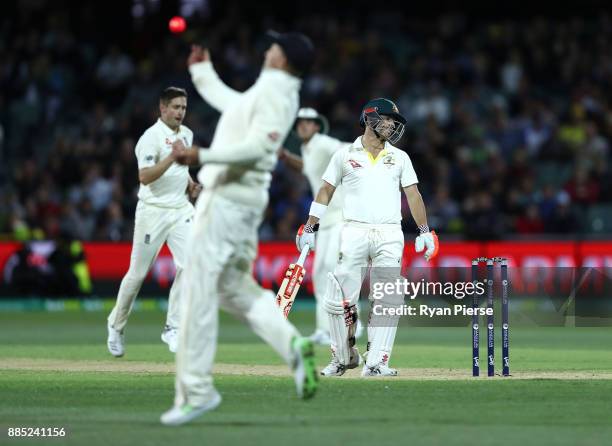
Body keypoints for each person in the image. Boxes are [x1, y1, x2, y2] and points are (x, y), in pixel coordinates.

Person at [160, 31, 318, 426]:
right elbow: (234, 106)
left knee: (196, 290)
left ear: (283, 59)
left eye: (274, 47)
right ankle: (294, 347)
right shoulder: (271, 90)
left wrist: (202, 154)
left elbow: (258, 150)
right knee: (234, 289)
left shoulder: (279, 95)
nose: (267, 49)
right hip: (239, 203)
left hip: (228, 200)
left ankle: (197, 391)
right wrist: (202, 73)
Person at [296, 98, 439, 377]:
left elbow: (413, 195)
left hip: (389, 233)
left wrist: (424, 231)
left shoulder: (400, 157)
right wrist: (310, 226)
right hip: (353, 231)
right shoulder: (344, 155)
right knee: (340, 299)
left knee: (388, 297)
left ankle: (377, 362)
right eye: (388, 120)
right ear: (371, 119)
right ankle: (342, 359)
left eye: (395, 122)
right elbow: (325, 191)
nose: (393, 126)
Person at [107, 87, 201, 357]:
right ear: (162, 109)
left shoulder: (186, 134)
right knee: (136, 275)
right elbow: (145, 176)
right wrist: (172, 156)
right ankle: (115, 325)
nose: (180, 113)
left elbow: (181, 171)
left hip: (181, 210)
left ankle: (173, 327)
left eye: (183, 108)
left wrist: (191, 185)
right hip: (153, 212)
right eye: (175, 107)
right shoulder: (150, 138)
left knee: (192, 264)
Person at [280, 108, 362, 345]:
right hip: (325, 221)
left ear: (317, 127)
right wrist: (286, 157)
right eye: (301, 123)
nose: (304, 126)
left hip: (340, 217)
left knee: (332, 270)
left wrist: (366, 153)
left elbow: (346, 148)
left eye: (309, 122)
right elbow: (305, 165)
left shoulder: (324, 142)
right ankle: (324, 329)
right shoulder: (308, 149)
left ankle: (353, 322)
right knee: (319, 274)